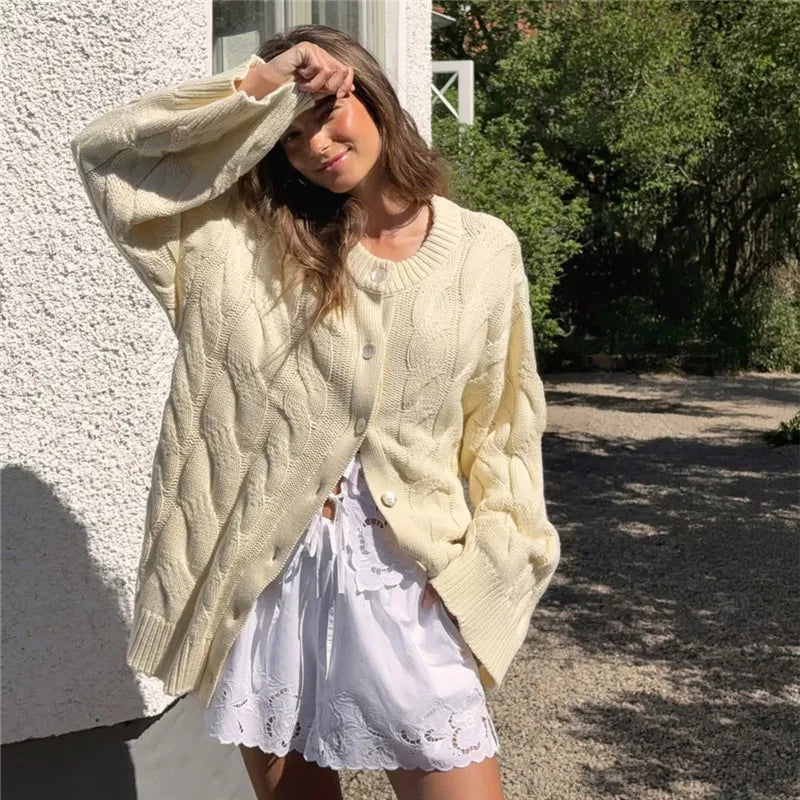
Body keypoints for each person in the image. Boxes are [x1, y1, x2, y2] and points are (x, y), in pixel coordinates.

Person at [70, 23, 561, 800]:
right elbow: (109, 156)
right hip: (266, 588)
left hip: (410, 582)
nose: (315, 147)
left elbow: (505, 436)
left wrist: (485, 579)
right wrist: (264, 87)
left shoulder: (483, 251)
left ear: (373, 96)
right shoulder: (242, 244)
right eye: (290, 138)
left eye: (326, 115)